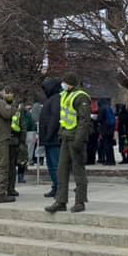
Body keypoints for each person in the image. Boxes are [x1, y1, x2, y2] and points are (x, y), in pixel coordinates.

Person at [46, 73, 91, 214]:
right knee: (61, 170)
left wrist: (79, 140)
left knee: (78, 171)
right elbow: (64, 117)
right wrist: (61, 132)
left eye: (65, 82)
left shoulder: (81, 96)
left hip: (75, 139)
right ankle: (61, 201)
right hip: (66, 137)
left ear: (70, 83)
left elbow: (84, 121)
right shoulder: (65, 95)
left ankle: (80, 201)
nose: (63, 85)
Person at [39, 78, 63, 198]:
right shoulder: (52, 99)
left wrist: (48, 135)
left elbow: (54, 118)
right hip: (49, 139)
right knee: (51, 165)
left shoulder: (56, 99)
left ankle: (59, 188)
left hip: (53, 139)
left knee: (55, 165)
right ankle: (55, 186)